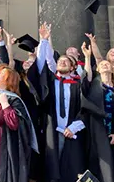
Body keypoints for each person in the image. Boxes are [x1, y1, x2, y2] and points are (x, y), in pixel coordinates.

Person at [37, 24, 86, 182]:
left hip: (72, 131)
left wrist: (74, 127)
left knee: (72, 171)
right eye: (61, 60)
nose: (63, 62)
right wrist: (44, 41)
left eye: (66, 61)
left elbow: (85, 108)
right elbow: (46, 61)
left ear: (73, 67)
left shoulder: (78, 85)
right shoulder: (51, 82)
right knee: (52, 169)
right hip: (53, 130)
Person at [81, 43, 114, 182]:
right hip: (97, 133)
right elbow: (87, 76)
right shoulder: (94, 86)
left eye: (106, 64)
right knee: (100, 167)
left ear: (112, 68)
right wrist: (87, 57)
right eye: (101, 64)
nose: (104, 65)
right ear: (97, 69)